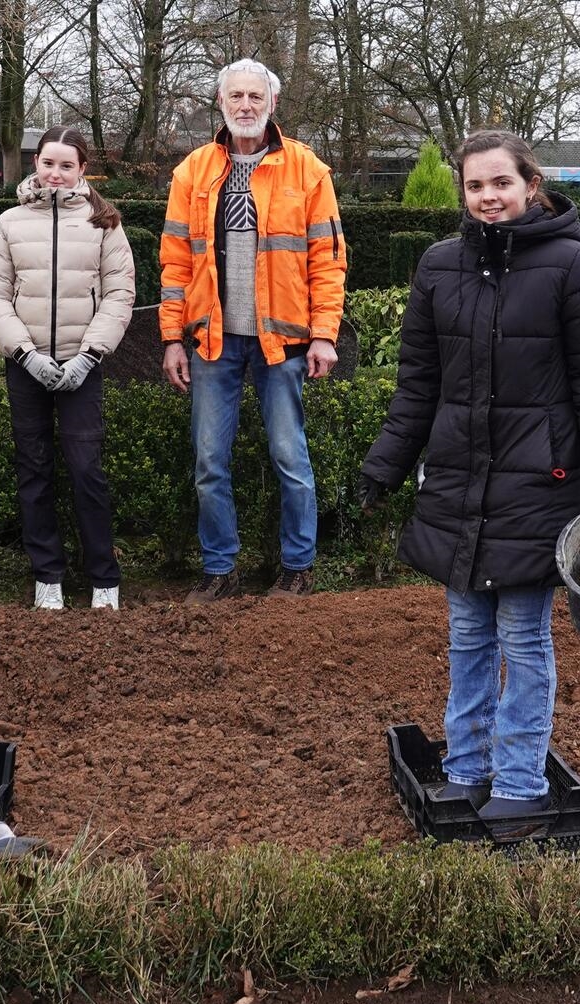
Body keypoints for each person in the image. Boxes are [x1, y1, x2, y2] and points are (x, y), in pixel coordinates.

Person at [358, 130, 580, 837]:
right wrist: (384, 467)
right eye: (475, 186)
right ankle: (466, 767)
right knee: (466, 637)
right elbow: (417, 386)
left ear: (530, 184)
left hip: (539, 485)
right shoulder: (438, 267)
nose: (488, 198)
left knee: (523, 639)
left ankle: (517, 781)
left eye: (500, 184)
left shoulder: (572, 265)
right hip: (460, 484)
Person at [159, 58, 346, 603]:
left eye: (254, 97)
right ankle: (220, 570)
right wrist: (173, 337)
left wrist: (323, 333)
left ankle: (298, 568)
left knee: (291, 458)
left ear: (272, 104)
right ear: (220, 102)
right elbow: (174, 263)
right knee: (209, 462)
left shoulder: (307, 171)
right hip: (213, 342)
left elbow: (328, 261)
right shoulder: (192, 172)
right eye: (235, 96)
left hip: (281, 342)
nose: (245, 105)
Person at [0, 126, 135, 610]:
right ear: (35, 164)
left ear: (83, 170)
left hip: (82, 366)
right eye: (49, 163)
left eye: (68, 165)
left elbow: (120, 293)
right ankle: (47, 575)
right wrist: (25, 354)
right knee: (34, 468)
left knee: (87, 469)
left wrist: (89, 355)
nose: (56, 173)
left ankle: (103, 577)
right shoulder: (8, 222)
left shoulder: (104, 222)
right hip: (27, 367)